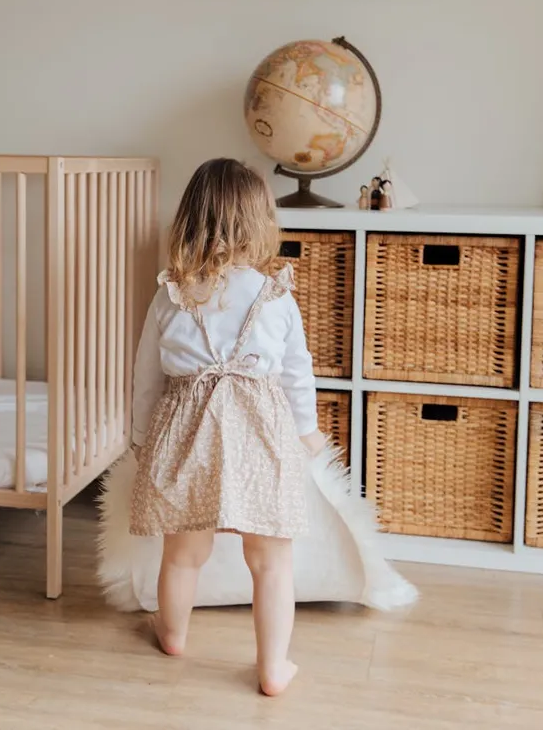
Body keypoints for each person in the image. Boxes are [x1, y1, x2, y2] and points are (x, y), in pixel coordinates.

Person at [129, 158, 324, 696]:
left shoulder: (170, 295)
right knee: (271, 560)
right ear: (260, 221)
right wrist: (307, 434)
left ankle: (173, 633)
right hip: (259, 436)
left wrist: (143, 439)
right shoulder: (276, 296)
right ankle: (273, 667)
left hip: (185, 436)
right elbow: (296, 376)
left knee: (183, 553)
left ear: (190, 219)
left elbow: (146, 377)